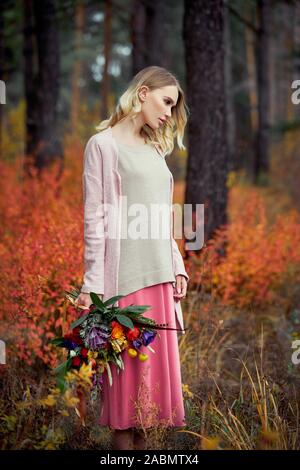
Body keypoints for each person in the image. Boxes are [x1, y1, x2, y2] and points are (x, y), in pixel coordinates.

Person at [75, 65, 190, 450]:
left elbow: (162, 215)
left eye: (173, 106)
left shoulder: (156, 148)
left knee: (150, 407)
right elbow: (95, 220)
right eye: (166, 101)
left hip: (159, 281)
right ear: (143, 92)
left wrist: (177, 265)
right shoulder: (103, 146)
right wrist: (92, 286)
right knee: (125, 404)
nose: (169, 113)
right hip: (124, 284)